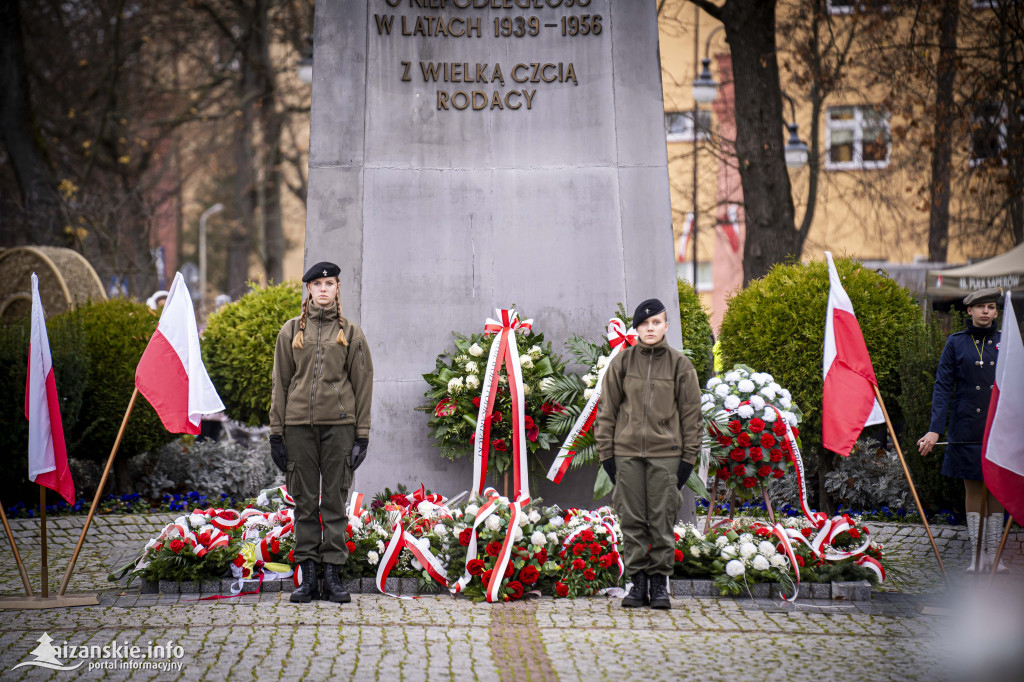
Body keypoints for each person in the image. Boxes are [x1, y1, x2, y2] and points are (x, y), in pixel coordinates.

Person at [269, 262, 374, 603]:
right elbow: (280, 383)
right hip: (298, 427)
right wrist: (276, 432)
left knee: (333, 500)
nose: (324, 289)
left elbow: (363, 383)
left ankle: (332, 574)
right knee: (303, 501)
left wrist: (362, 434)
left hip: (339, 427)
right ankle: (308, 575)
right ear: (309, 289)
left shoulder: (350, 332)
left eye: (330, 283)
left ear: (338, 288)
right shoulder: (291, 330)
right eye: (318, 284)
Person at [595, 298, 702, 609]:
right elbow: (607, 412)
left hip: (667, 456)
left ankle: (658, 585)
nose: (650, 328)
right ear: (637, 329)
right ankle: (637, 583)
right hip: (626, 454)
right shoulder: (622, 363)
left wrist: (688, 459)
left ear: (666, 326)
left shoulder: (680, 365)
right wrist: (607, 456)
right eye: (645, 323)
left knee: (661, 520)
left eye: (656, 322)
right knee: (631, 520)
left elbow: (692, 416)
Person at [918, 287, 1006, 573]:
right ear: (969, 310)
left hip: (998, 425)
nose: (986, 312)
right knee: (973, 484)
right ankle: (977, 555)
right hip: (966, 423)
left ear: (996, 311)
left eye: (991, 307)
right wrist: (935, 430)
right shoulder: (956, 343)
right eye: (980, 307)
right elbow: (943, 388)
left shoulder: (1006, 344)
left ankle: (995, 556)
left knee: (997, 486)